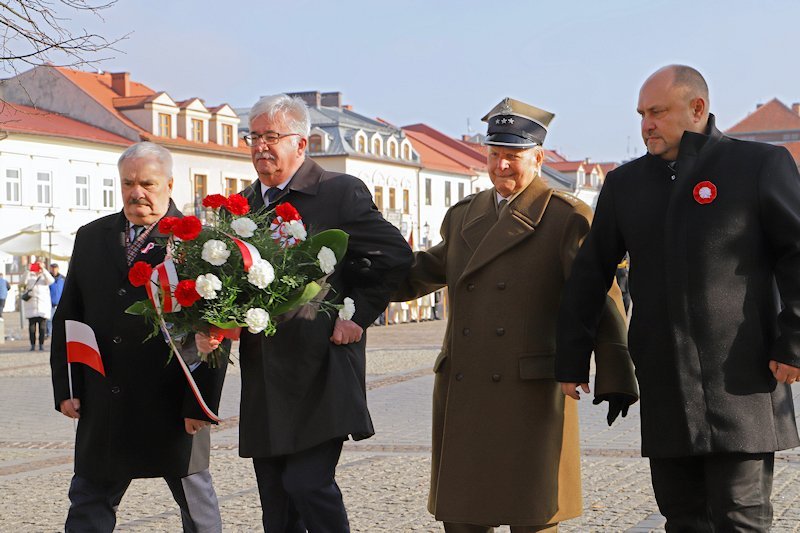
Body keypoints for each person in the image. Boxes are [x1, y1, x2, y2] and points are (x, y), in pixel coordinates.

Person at [556, 65, 800, 532]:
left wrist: (794, 342)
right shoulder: (626, 184)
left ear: (697, 108)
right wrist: (571, 358)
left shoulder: (758, 165)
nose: (646, 123)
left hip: (743, 382)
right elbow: (590, 272)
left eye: (657, 112)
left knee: (741, 518)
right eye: (641, 114)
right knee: (682, 518)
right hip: (666, 381)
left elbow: (797, 254)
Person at [393, 97, 638, 532]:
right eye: (494, 155)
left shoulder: (566, 217)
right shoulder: (465, 215)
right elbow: (425, 271)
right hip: (465, 388)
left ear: (538, 158)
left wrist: (616, 371)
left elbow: (600, 294)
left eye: (513, 156)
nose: (501, 166)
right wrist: (356, 271)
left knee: (532, 517)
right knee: (464, 517)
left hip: (530, 393)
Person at [210, 94, 411, 532]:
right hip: (265, 373)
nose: (261, 146)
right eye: (254, 136)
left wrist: (357, 316)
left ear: (301, 144)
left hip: (321, 367)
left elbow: (394, 256)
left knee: (308, 484)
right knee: (276, 501)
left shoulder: (338, 191)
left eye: (272, 136)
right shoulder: (242, 206)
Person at [50, 142, 228, 533]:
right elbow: (69, 314)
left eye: (147, 183)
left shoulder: (200, 243)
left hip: (172, 401)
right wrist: (65, 386)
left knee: (197, 506)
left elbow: (219, 329)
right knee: (88, 503)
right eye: (128, 183)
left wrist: (202, 403)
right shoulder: (92, 236)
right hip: (105, 398)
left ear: (168, 183)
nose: (137, 193)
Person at [23, 260, 53, 351]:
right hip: (31, 306)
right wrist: (28, 270)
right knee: (32, 328)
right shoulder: (29, 275)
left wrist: (43, 269)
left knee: (42, 328)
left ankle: (41, 344)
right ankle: (32, 345)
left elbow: (51, 281)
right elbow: (22, 282)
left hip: (42, 307)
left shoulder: (44, 276)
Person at [47, 262, 65, 337]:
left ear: (57, 269)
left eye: (55, 268)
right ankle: (49, 333)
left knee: (60, 319)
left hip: (60, 303)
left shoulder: (62, 278)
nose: (54, 270)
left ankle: (59, 333)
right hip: (50, 303)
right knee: (49, 319)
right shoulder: (48, 279)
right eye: (52, 269)